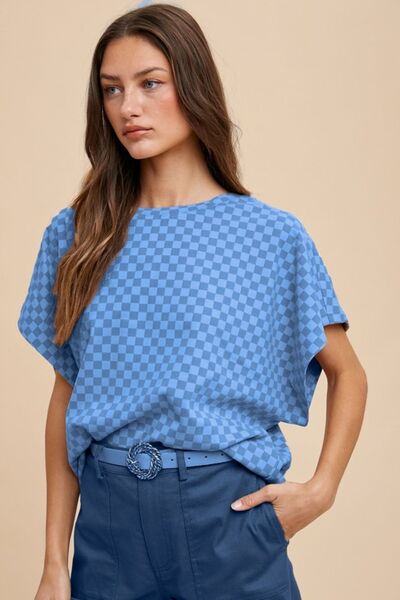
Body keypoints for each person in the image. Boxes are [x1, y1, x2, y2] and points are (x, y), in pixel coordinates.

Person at [17, 4, 367, 600]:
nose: (128, 107)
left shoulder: (268, 236)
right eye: (112, 89)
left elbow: (349, 372)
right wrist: (54, 561)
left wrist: (321, 489)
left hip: (225, 516)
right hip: (108, 525)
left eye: (150, 83)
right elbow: (67, 395)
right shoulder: (76, 234)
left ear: (194, 85)